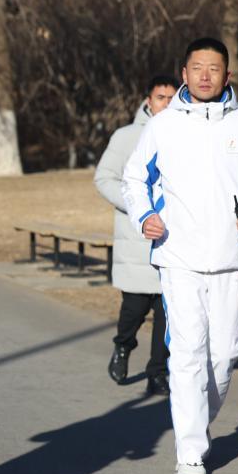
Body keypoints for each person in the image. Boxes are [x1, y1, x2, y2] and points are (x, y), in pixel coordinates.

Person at [122, 37, 238, 474]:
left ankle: (196, 423)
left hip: (231, 257)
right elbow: (134, 179)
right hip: (178, 255)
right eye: (197, 68)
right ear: (184, 73)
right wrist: (145, 216)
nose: (205, 75)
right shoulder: (164, 125)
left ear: (227, 76)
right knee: (188, 350)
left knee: (225, 353)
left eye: (214, 68)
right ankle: (190, 450)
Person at [94, 75, 177, 396]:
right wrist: (140, 209)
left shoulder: (188, 136)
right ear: (148, 101)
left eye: (172, 98)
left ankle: (158, 372)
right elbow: (104, 178)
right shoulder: (127, 137)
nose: (166, 104)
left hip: (173, 240)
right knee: (135, 308)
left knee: (168, 312)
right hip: (137, 239)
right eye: (161, 97)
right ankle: (123, 346)